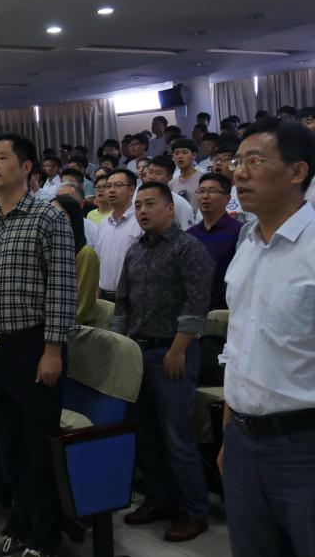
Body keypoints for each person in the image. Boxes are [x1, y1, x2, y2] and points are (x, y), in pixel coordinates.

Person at [0, 134, 77, 557]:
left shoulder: (48, 218)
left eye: (1, 158)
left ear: (26, 167)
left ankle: (46, 538)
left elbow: (62, 288)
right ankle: (20, 524)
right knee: (8, 444)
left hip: (34, 347)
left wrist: (53, 350)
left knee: (38, 445)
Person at [216, 117, 315, 557]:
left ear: (298, 171)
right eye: (237, 162)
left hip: (303, 444)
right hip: (242, 439)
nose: (239, 173)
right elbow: (239, 347)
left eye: (255, 161)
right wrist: (229, 434)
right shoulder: (247, 245)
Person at [112, 182, 213, 542]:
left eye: (150, 204)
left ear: (171, 209)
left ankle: (194, 511)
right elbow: (122, 301)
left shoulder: (188, 248)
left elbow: (196, 303)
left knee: (177, 437)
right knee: (148, 435)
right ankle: (159, 500)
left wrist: (178, 349)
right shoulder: (135, 250)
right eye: (138, 205)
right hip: (137, 354)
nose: (142, 211)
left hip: (172, 353)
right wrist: (120, 346)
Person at [186, 173, 243, 311]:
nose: (205, 196)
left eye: (212, 191)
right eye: (201, 191)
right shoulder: (190, 234)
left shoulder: (239, 232)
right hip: (192, 312)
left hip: (225, 311)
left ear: (227, 198)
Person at [51, 195, 100, 328]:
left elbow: (81, 305)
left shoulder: (86, 254)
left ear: (73, 219)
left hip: (73, 328)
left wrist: (56, 329)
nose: (52, 219)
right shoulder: (52, 251)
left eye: (60, 215)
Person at [95, 168, 143, 302]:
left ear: (132, 190)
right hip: (104, 295)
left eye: (118, 185)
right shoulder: (103, 224)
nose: (111, 190)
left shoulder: (140, 222)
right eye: (108, 186)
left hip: (131, 297)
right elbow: (99, 263)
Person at [142, 155, 196, 230]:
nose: (152, 177)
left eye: (158, 173)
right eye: (150, 172)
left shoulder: (179, 203)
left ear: (169, 178)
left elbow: (187, 231)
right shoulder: (138, 197)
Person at [56, 182, 97, 248]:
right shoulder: (49, 225)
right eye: (57, 198)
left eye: (67, 198)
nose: (60, 203)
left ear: (81, 204)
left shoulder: (93, 230)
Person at [170, 138, 203, 211]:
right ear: (173, 157)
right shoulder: (172, 182)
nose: (180, 156)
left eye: (184, 152)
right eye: (177, 153)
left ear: (194, 155)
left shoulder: (203, 179)